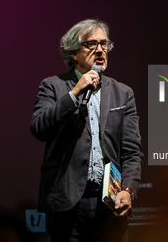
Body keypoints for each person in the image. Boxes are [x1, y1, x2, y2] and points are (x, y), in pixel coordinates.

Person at [30, 19, 143, 242]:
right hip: (68, 203)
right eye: (91, 44)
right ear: (73, 53)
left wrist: (128, 190)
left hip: (109, 204)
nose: (100, 49)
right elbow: (38, 128)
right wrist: (74, 93)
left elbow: (132, 151)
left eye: (104, 44)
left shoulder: (123, 93)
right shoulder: (53, 85)